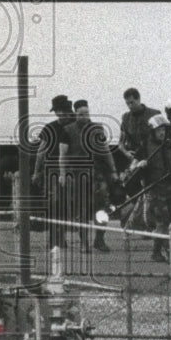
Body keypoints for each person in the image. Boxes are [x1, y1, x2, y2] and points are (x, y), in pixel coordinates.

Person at [63, 99, 117, 253]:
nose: (84, 116)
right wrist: (65, 173)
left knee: (102, 211)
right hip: (78, 176)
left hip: (97, 176)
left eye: (87, 113)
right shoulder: (68, 130)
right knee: (81, 212)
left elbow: (105, 151)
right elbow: (64, 155)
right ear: (76, 114)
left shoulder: (97, 129)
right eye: (81, 114)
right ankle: (84, 243)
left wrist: (113, 170)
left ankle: (99, 240)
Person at [32, 95, 75, 250]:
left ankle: (61, 237)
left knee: (66, 205)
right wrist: (37, 172)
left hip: (72, 170)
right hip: (52, 172)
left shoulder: (76, 126)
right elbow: (41, 151)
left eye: (63, 110)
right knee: (54, 203)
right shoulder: (50, 128)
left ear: (69, 110)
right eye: (58, 111)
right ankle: (53, 238)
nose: (61, 114)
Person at [137, 114, 171, 263]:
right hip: (155, 189)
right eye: (158, 130)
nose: (162, 133)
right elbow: (137, 169)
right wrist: (141, 165)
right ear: (152, 131)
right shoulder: (145, 147)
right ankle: (158, 251)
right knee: (161, 221)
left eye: (164, 129)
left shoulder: (169, 146)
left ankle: (165, 249)